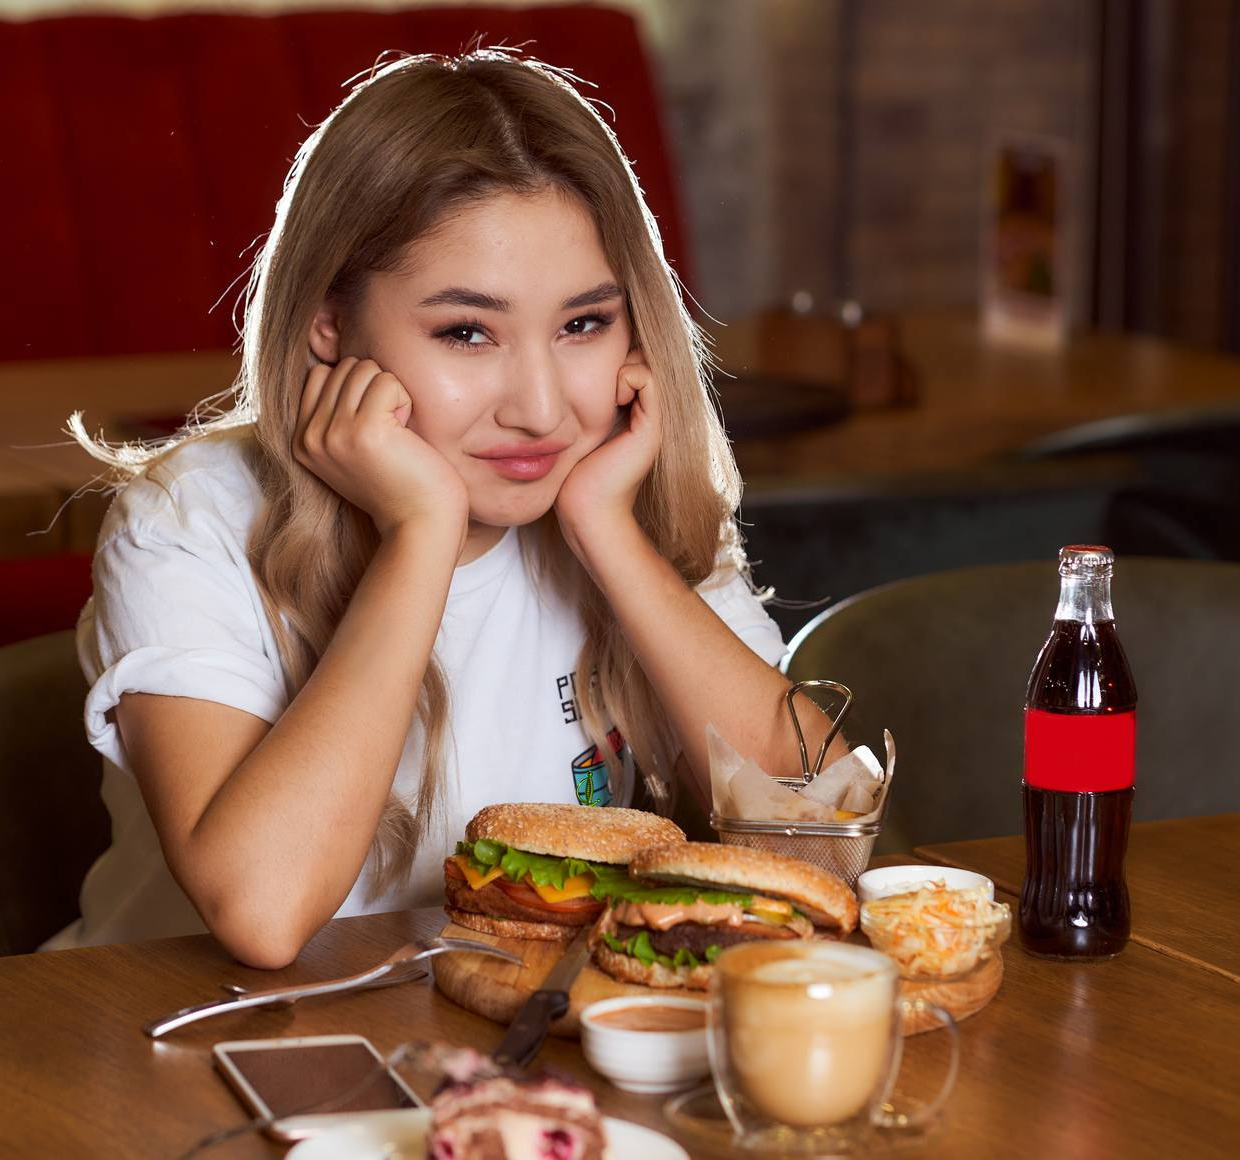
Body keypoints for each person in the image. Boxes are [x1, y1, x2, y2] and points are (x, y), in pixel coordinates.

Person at [45, 50, 835, 965]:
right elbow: (261, 912)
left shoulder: (614, 488)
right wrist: (420, 532)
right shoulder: (188, 520)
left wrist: (610, 536)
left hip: (506, 1050)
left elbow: (818, 837)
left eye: (583, 324)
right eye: (467, 332)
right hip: (190, 1055)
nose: (541, 408)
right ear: (329, 323)